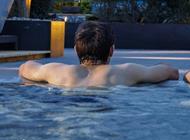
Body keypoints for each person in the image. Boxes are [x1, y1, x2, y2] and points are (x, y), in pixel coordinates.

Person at [19, 21, 179, 88]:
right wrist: (161, 65)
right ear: (111, 50)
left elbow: (25, 67)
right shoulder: (126, 71)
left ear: (75, 49)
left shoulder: (57, 71)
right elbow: (172, 72)